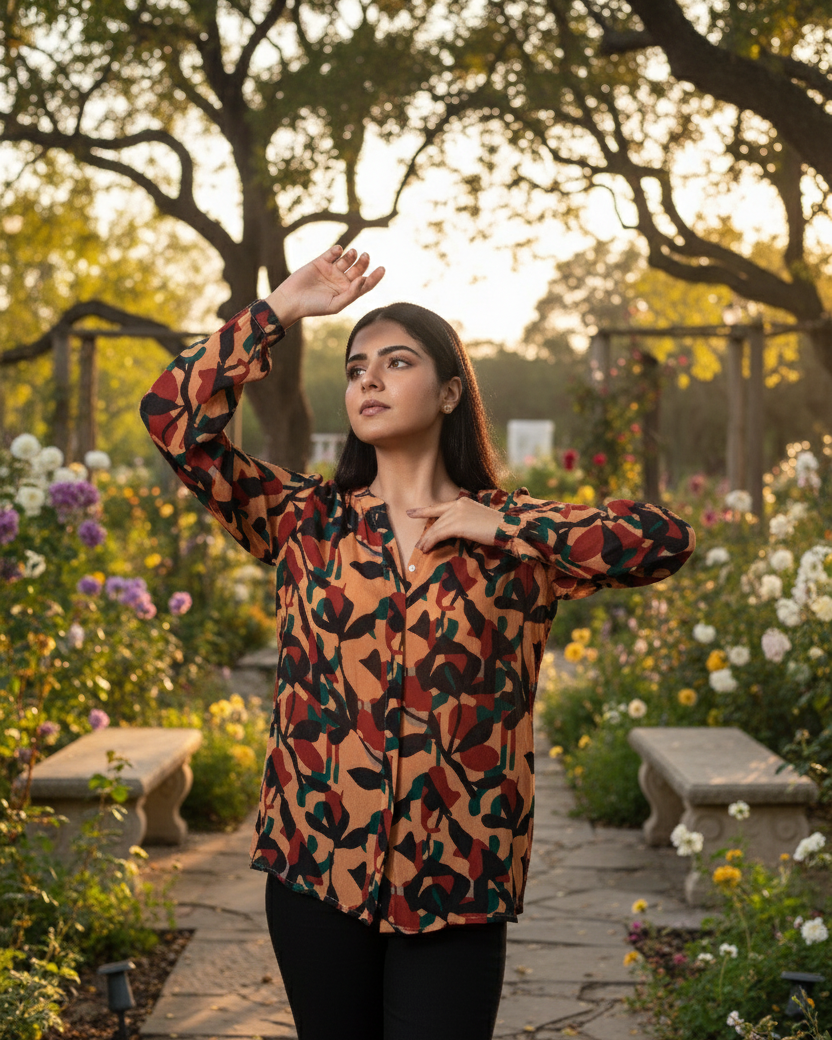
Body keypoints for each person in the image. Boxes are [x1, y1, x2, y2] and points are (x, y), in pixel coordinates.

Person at [140, 244, 696, 1040]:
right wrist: (281, 311)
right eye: (357, 366)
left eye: (395, 363)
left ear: (448, 392)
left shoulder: (513, 543)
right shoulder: (304, 521)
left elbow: (664, 540)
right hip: (315, 866)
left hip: (459, 878)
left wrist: (505, 523)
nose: (367, 378)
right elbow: (171, 418)